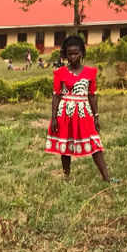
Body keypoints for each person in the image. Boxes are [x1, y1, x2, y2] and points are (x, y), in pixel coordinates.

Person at [45, 35, 113, 183]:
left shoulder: (90, 72)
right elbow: (56, 96)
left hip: (84, 113)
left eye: (76, 53)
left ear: (82, 52)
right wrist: (54, 118)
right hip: (66, 113)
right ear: (65, 55)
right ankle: (67, 178)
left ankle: (107, 179)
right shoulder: (60, 72)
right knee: (66, 146)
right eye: (69, 54)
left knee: (95, 144)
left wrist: (96, 116)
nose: (73, 57)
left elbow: (92, 96)